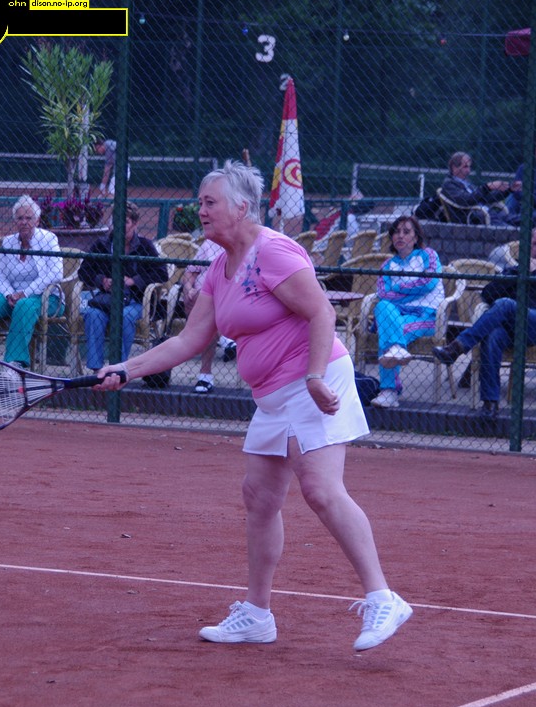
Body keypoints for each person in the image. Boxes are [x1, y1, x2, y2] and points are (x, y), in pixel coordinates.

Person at [95, 160, 412, 652]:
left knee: (320, 489)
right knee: (260, 498)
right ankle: (258, 616)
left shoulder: (274, 252)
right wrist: (125, 368)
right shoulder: (219, 268)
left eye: (210, 202)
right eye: (200, 202)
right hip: (272, 396)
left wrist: (313, 376)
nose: (200, 210)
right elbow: (189, 340)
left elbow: (321, 312)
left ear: (242, 207)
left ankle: (383, 597)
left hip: (314, 381)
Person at [433, 225, 536, 416]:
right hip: (510, 328)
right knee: (493, 335)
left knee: (505, 304)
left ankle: (458, 346)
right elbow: (487, 294)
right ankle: (490, 403)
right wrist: (519, 273)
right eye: (535, 243)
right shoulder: (515, 269)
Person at [0, 195, 63, 368]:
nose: (24, 222)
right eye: (20, 218)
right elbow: (1, 275)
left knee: (24, 305)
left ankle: (14, 364)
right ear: (15, 221)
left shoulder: (49, 239)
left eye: (29, 218)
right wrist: (9, 294)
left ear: (37, 220)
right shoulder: (8, 242)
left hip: (46, 297)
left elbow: (56, 273)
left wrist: (25, 293)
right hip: (13, 297)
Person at [78, 201, 168, 372]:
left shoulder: (145, 246)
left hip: (136, 300)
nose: (120, 226)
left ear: (135, 223)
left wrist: (134, 281)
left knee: (125, 316)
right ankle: (97, 370)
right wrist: (102, 281)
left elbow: (162, 274)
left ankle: (119, 369)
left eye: (125, 222)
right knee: (93, 315)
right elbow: (84, 271)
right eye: (116, 220)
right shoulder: (102, 244)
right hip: (107, 300)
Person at [370, 215, 445, 409]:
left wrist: (399, 288)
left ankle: (389, 391)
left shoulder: (428, 255)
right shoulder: (387, 265)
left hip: (426, 316)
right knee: (382, 306)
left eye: (406, 231)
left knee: (389, 331)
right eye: (396, 232)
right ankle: (396, 349)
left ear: (416, 237)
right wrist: (412, 289)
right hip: (397, 315)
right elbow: (384, 294)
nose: (400, 236)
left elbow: (429, 282)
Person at [181, 237, 236, 393]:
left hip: (230, 298)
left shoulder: (244, 246)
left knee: (208, 313)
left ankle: (205, 377)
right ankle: (225, 340)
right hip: (202, 297)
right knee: (202, 300)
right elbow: (190, 273)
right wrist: (188, 288)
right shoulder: (209, 244)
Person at [440, 151, 511, 224]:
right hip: (475, 218)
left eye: (469, 167)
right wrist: (487, 187)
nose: (468, 170)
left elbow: (487, 198)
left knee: (514, 220)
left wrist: (509, 190)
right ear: (454, 167)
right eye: (465, 167)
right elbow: (467, 200)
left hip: (486, 214)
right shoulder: (449, 184)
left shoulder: (466, 182)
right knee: (510, 227)